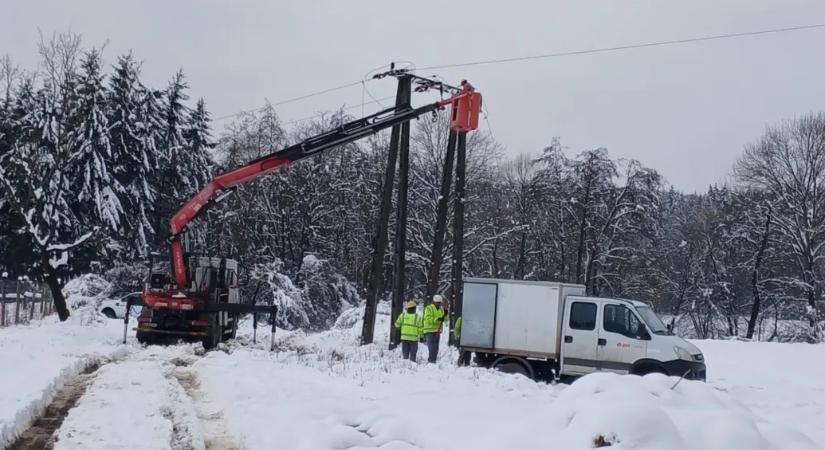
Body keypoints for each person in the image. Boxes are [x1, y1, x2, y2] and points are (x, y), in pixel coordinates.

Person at [423, 294, 447, 363]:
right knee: (432, 347)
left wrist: (446, 314)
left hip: (437, 330)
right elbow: (428, 319)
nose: (438, 304)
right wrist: (438, 319)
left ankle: (433, 361)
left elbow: (445, 319)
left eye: (440, 303)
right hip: (429, 330)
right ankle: (431, 361)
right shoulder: (429, 308)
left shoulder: (441, 309)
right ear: (434, 302)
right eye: (437, 303)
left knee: (436, 348)